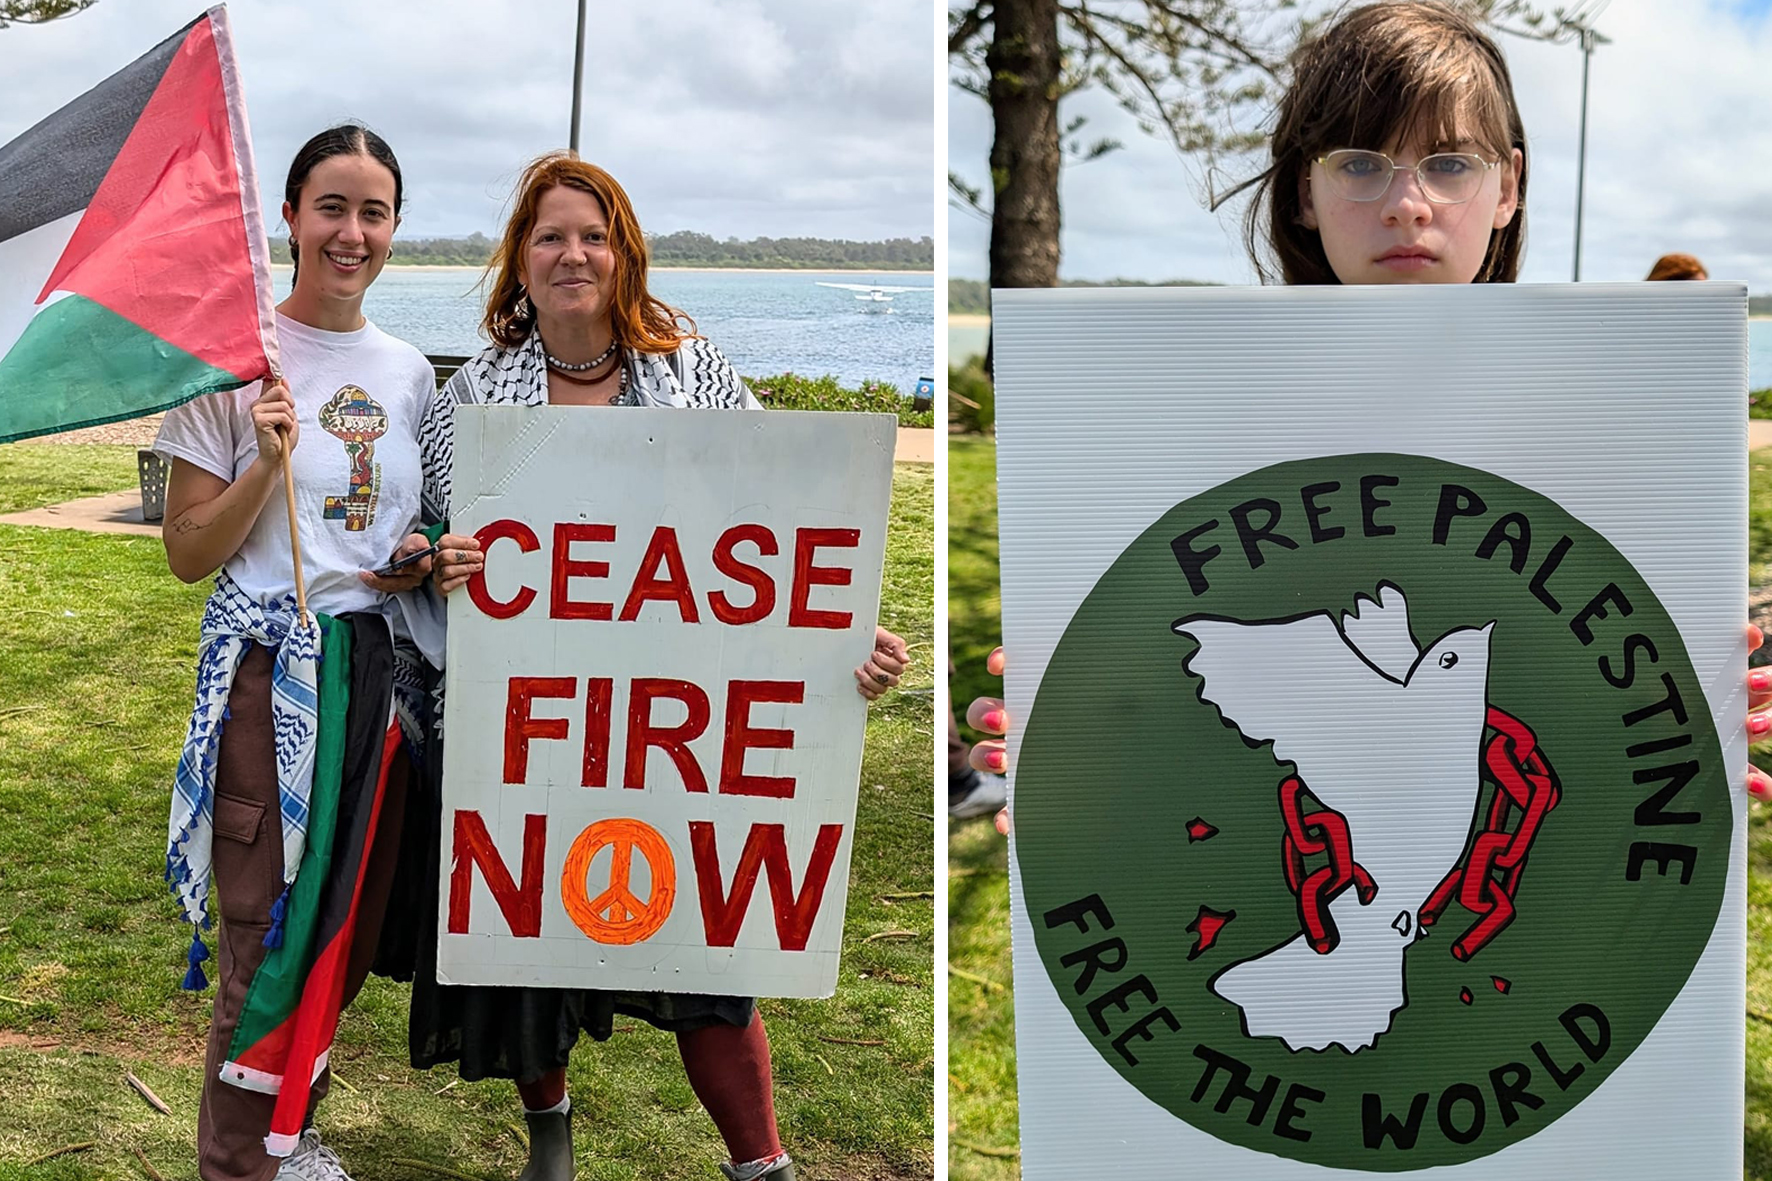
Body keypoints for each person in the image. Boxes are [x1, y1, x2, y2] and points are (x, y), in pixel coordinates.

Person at [964, 1, 1772, 808]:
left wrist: (1698, 726)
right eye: (1359, 163)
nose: (1406, 202)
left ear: (1508, 187)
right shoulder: (1174, 421)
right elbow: (1152, 690)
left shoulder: (1607, 420)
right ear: (1305, 190)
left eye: (1450, 163)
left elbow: (1593, 685)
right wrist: (1062, 728)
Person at [395, 152, 909, 1181]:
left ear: (624, 252)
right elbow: (422, 539)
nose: (571, 253)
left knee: (706, 953)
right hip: (524, 720)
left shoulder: (694, 373)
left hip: (672, 727)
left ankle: (760, 1161)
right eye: (549, 236)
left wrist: (840, 637)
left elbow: (783, 525)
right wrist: (437, 559)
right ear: (520, 259)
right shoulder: (471, 396)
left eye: (592, 234)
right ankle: (550, 1129)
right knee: (522, 940)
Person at [154, 124, 440, 1181]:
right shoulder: (228, 371)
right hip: (271, 680)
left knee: (342, 932)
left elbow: (405, 525)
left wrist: (413, 555)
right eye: (331, 207)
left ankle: (291, 1128)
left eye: (373, 212)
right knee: (266, 934)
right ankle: (237, 1164)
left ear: (395, 228)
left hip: (377, 673)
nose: (351, 232)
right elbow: (189, 553)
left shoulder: (408, 374)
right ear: (287, 217)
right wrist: (263, 459)